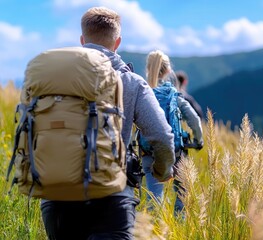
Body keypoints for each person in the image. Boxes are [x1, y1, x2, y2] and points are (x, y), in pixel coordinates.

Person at [40, 7, 176, 240]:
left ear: (82, 40)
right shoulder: (133, 83)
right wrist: (162, 171)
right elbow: (162, 135)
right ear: (117, 42)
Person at [143, 50, 203, 214]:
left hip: (149, 152)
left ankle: (153, 233)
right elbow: (195, 120)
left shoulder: (143, 93)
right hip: (176, 152)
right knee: (181, 197)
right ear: (169, 70)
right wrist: (199, 140)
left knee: (154, 199)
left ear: (148, 69)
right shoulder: (174, 95)